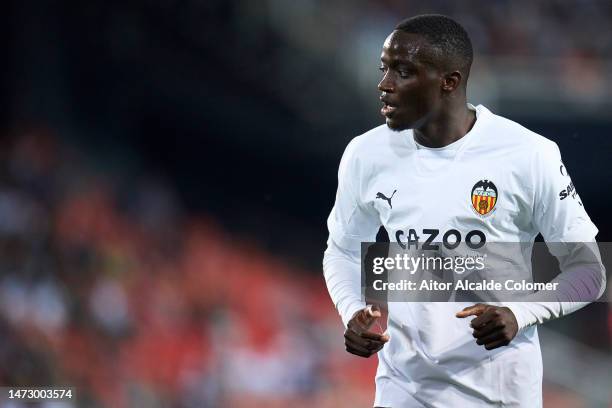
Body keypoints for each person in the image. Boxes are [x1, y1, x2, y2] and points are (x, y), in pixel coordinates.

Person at [323, 14, 606, 407]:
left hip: (500, 393)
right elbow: (341, 249)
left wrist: (519, 313)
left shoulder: (528, 154)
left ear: (449, 82)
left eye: (403, 71)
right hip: (403, 389)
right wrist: (352, 310)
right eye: (384, 68)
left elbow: (589, 271)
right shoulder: (365, 153)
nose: (384, 85)